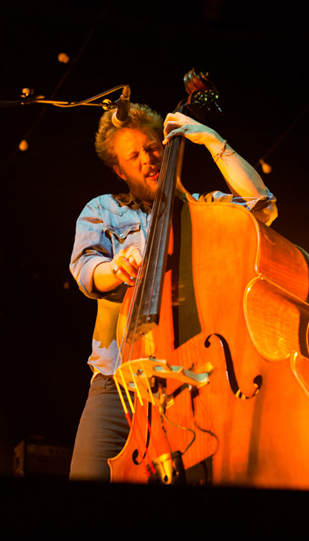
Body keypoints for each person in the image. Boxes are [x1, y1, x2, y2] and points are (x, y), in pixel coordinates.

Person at [68, 102, 278, 481]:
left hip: (191, 385)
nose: (148, 159)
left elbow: (262, 208)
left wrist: (214, 142)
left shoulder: (207, 212)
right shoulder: (104, 210)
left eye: (153, 148)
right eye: (134, 156)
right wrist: (114, 268)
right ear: (120, 169)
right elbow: (86, 270)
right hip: (119, 385)